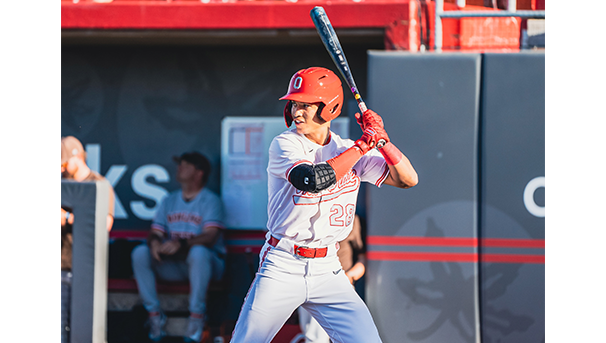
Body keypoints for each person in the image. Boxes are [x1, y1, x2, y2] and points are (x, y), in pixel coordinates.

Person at [230, 67, 418, 343]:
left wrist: (384, 142)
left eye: (305, 105)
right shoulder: (285, 144)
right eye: (294, 103)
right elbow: (311, 179)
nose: (296, 111)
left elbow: (408, 180)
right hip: (283, 263)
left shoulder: (348, 149)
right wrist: (363, 145)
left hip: (329, 268)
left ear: (329, 108)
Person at [131, 151, 226, 342]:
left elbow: (210, 236)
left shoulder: (210, 200)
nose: (179, 168)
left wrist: (181, 243)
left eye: (185, 165)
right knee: (141, 252)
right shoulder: (169, 200)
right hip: (176, 266)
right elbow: (155, 231)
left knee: (199, 252)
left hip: (207, 265)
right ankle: (155, 316)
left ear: (199, 173)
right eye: (180, 164)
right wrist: (156, 242)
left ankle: (197, 317)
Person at [61, 136, 116, 343]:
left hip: (86, 272)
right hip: (59, 267)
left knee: (85, 333)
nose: (61, 168)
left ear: (77, 158)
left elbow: (104, 225)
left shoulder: (99, 184)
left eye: (64, 163)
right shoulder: (58, 183)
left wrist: (66, 218)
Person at [297, 214, 367, 343]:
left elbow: (363, 259)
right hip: (306, 281)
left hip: (335, 284)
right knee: (310, 334)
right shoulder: (307, 216)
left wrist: (349, 277)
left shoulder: (351, 219)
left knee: (318, 337)